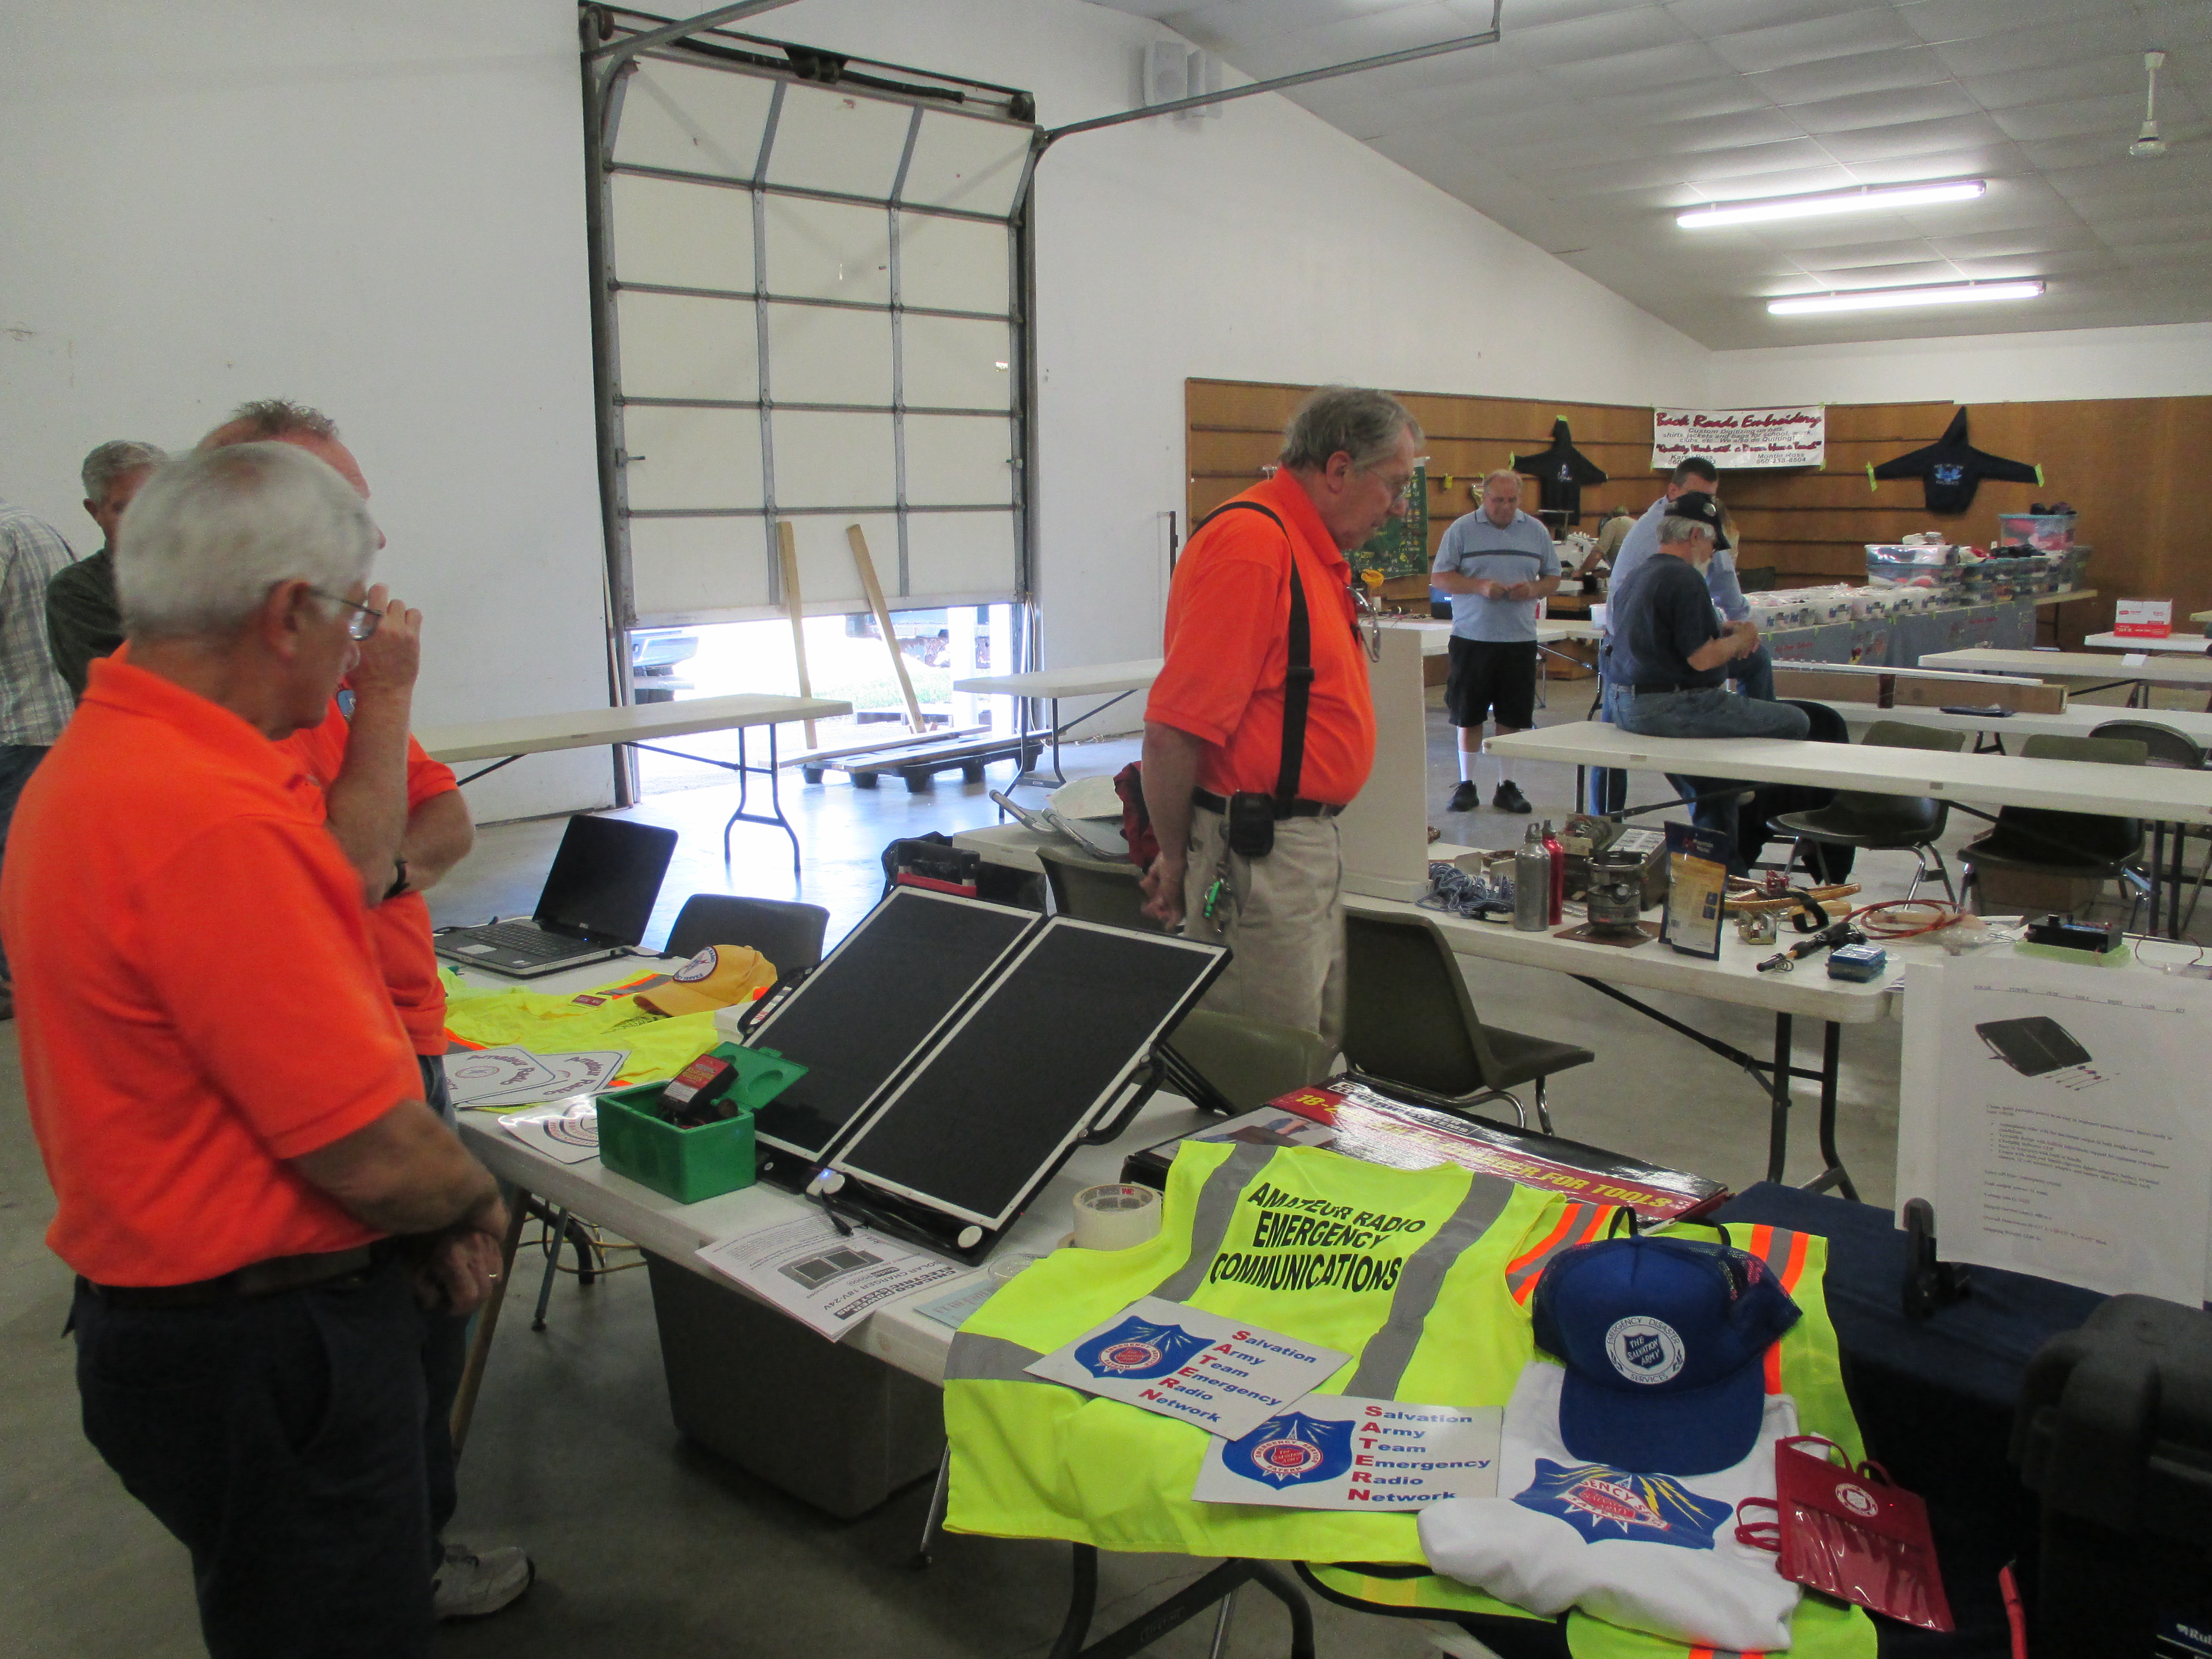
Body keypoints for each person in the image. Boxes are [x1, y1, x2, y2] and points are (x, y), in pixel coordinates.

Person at [1, 441, 509, 1658]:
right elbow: (369, 1147)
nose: (358, 647)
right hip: (271, 1345)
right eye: (351, 617)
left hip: (170, 1324)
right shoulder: (212, 818)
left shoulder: (96, 765)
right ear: (288, 614)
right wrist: (470, 1202)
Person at [197, 399, 519, 1620]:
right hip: (348, 1075)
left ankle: (411, 1552)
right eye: (344, 521)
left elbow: (439, 820)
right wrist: (381, 705)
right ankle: (390, 1571)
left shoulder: (322, 696)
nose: (373, 550)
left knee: (421, 1345)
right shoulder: (251, 722)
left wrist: (383, 862)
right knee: (364, 1379)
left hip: (408, 1040)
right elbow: (334, 879)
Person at [1140, 385, 1418, 1046]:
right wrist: (1176, 860)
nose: (1401, 507)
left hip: (1296, 851)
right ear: (1339, 469)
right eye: (1395, 485)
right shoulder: (1254, 546)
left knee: (1309, 1056)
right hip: (1259, 858)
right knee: (1265, 1063)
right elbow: (1173, 731)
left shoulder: (1303, 547)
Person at [1606, 493, 1810, 871]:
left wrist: (1722, 632)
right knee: (1797, 721)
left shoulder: (1639, 574)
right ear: (1696, 536)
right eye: (1714, 545)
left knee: (1715, 789)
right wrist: (1741, 639)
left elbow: (1665, 640)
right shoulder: (1685, 578)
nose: (1714, 555)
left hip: (1625, 704)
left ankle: (1727, 867)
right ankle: (1754, 796)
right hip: (1669, 706)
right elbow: (1702, 659)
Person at [1431, 469, 1560, 815]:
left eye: (1512, 500)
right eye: (1498, 500)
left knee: (1512, 715)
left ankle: (1507, 785)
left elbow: (1553, 577)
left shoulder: (1535, 531)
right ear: (1484, 498)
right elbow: (1440, 577)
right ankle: (1467, 783)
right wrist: (1479, 586)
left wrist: (1532, 589)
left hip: (1519, 638)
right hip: (1472, 638)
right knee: (1468, 714)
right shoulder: (1461, 530)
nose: (1505, 507)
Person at [0, 485, 84, 1008]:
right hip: (57, 721)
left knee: (12, 864)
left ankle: (21, 981)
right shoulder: (32, 523)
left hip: (17, 726)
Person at [47, 439, 166, 700]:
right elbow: (118, 689)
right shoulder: (77, 590)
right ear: (95, 512)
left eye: (156, 505)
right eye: (125, 510)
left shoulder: (210, 572)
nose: (145, 521)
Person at [1569, 505, 1633, 582]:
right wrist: (1604, 573)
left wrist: (1580, 572)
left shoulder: (1613, 523)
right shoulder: (1635, 523)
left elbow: (1597, 555)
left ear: (1612, 516)